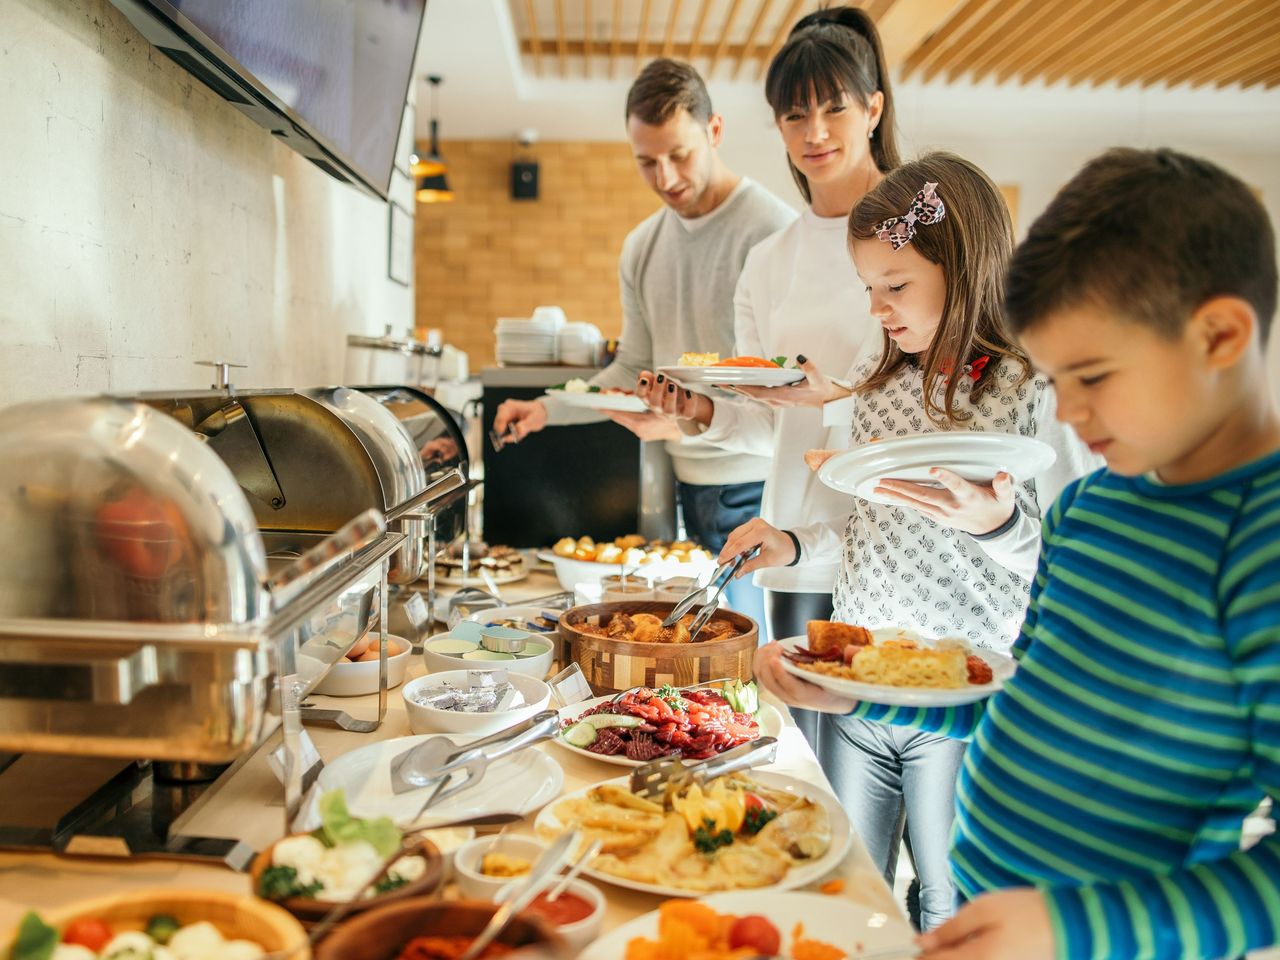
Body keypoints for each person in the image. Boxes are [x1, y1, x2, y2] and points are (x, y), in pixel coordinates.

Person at [756, 147, 1280, 960]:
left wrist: (1065, 927)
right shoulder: (1088, 507)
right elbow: (1013, 691)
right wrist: (858, 700)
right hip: (999, 921)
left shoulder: (1260, 546)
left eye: (1091, 375)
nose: (1064, 408)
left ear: (1218, 336)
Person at [717, 152, 1098, 930]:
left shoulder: (1034, 390)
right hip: (860, 687)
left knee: (949, 908)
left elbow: (1074, 559)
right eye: (869, 289)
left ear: (965, 268)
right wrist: (793, 544)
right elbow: (868, 532)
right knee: (851, 892)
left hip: (966, 692)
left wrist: (999, 526)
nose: (878, 310)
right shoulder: (880, 384)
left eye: (896, 288)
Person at [633, 6, 896, 750]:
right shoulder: (771, 259)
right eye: (793, 115)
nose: (814, 133)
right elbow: (767, 425)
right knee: (809, 776)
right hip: (795, 545)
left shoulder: (915, 232)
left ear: (872, 109)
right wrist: (699, 413)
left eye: (833, 109)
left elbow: (940, 402)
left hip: (895, 546)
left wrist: (838, 399)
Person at [492, 58, 794, 621]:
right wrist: (546, 408)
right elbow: (633, 367)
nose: (666, 178)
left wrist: (685, 419)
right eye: (646, 162)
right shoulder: (641, 247)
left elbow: (783, 385)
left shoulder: (773, 232)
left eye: (679, 155)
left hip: (760, 486)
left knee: (756, 654)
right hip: (688, 483)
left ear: (715, 131)